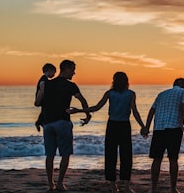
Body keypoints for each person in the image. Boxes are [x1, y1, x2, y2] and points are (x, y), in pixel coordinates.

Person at [69, 72, 145, 193]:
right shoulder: (130, 94)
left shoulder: (110, 93)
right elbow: (135, 111)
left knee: (111, 155)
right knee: (126, 156)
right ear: (127, 81)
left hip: (112, 126)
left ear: (114, 81)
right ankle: (126, 186)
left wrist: (79, 110)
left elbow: (96, 107)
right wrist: (143, 126)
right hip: (124, 126)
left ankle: (113, 185)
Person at [34, 59, 92, 192]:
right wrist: (88, 116)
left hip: (48, 124)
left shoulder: (46, 84)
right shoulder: (71, 86)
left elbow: (38, 103)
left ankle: (50, 184)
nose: (74, 73)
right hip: (62, 123)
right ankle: (59, 183)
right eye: (72, 70)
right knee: (65, 154)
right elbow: (82, 100)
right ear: (65, 69)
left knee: (50, 155)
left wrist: (42, 92)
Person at [142, 78, 184, 193]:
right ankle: (173, 189)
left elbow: (151, 111)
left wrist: (147, 127)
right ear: (182, 84)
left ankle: (153, 188)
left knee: (157, 159)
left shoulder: (161, 94)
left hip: (159, 128)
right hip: (174, 128)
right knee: (173, 159)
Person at [34, 63, 57, 132]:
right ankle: (39, 122)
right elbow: (42, 88)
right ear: (49, 70)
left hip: (42, 97)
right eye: (54, 72)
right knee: (45, 110)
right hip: (42, 97)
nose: (54, 75)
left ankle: (39, 122)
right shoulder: (44, 79)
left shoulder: (43, 78)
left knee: (44, 110)